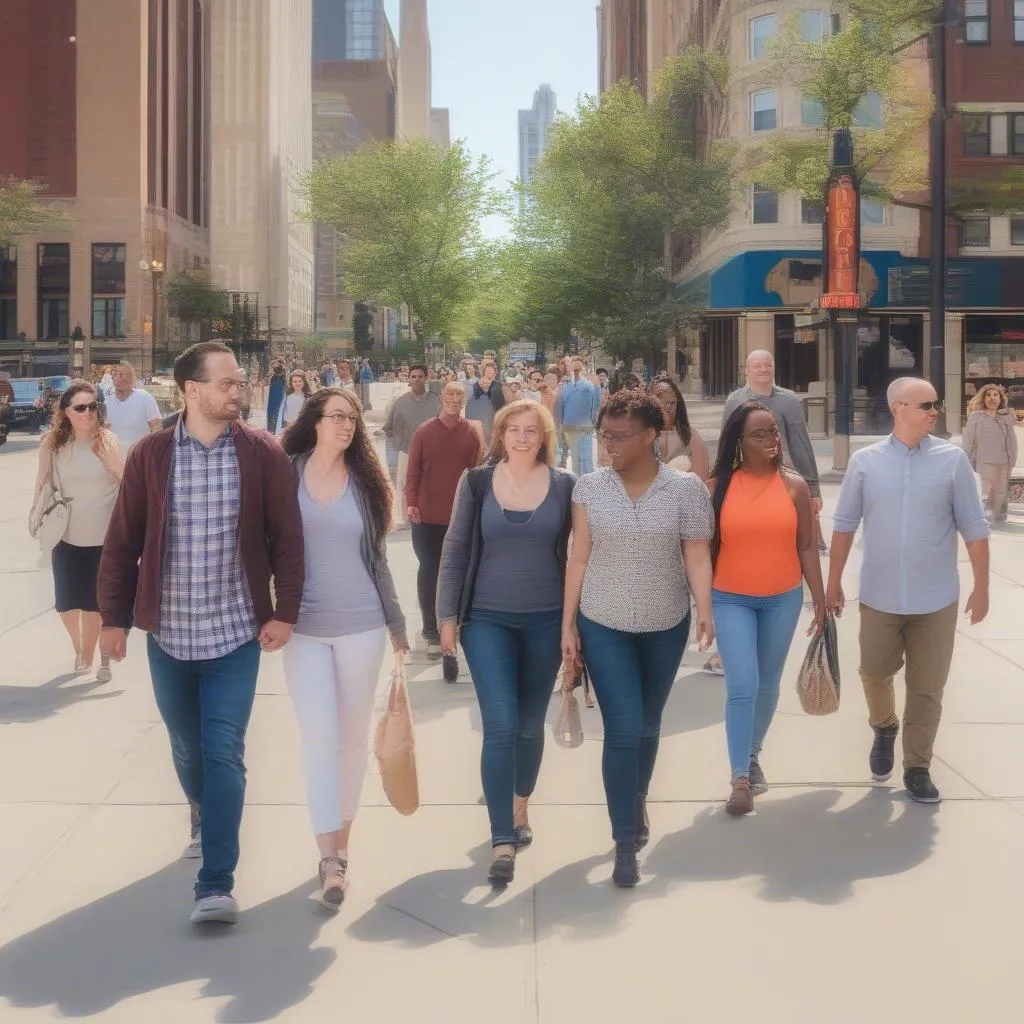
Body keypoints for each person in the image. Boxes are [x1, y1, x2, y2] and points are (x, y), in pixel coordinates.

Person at [98, 341, 304, 925]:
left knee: (224, 753)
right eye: (227, 383)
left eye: (240, 382)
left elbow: (288, 539)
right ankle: (202, 810)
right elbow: (122, 541)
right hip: (168, 635)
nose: (238, 390)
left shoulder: (262, 453)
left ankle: (215, 882)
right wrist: (113, 617)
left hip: (236, 634)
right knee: (188, 750)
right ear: (191, 390)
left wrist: (283, 610)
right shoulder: (151, 455)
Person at [562, 390, 714, 887]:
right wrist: (568, 625)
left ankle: (637, 795)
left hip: (665, 623)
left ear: (652, 436)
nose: (609, 445)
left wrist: (704, 609)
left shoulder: (686, 490)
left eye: (620, 437)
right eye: (605, 434)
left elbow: (695, 553)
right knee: (624, 728)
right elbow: (579, 556)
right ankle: (624, 838)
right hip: (603, 621)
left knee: (649, 725)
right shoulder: (590, 487)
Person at [825, 377, 990, 804]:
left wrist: (982, 585)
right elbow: (843, 526)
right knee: (874, 673)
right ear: (898, 408)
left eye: (936, 404)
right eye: (925, 405)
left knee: (927, 687)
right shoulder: (866, 462)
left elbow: (974, 526)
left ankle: (918, 766)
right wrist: (833, 581)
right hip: (880, 595)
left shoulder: (952, 462)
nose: (934, 411)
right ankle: (884, 726)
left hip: (937, 599)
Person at [437, 401, 574, 885]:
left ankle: (520, 807)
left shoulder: (564, 486)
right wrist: (446, 617)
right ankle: (501, 839)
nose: (520, 437)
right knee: (499, 724)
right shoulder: (475, 483)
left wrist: (573, 626)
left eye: (530, 430)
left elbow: (578, 561)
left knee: (529, 727)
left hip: (545, 620)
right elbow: (454, 550)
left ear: (544, 436)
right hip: (486, 620)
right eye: (512, 429)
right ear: (500, 435)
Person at [280, 387, 407, 908]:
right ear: (314, 421)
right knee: (318, 736)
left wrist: (398, 626)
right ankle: (327, 855)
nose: (347, 425)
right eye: (337, 416)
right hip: (303, 629)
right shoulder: (285, 471)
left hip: (362, 626)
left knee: (352, 740)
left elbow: (377, 559)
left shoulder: (366, 483)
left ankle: (341, 848)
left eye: (352, 418)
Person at [708, 401, 826, 816]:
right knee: (742, 684)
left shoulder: (794, 486)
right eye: (760, 434)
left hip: (783, 598)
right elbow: (701, 551)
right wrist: (703, 608)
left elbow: (807, 546)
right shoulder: (716, 486)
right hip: (730, 597)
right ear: (739, 442)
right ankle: (740, 775)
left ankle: (753, 752)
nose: (771, 440)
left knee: (768, 683)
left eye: (773, 432)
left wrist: (820, 598)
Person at [31, 381, 122, 681]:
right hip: (66, 532)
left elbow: (127, 484)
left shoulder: (107, 440)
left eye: (92, 406)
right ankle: (79, 646)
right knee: (67, 602)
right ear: (66, 412)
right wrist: (36, 514)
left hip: (102, 535)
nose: (87, 413)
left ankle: (90, 653)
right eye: (80, 408)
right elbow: (42, 483)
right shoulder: (53, 445)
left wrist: (111, 461)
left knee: (93, 601)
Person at [406, 381, 482, 668]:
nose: (454, 399)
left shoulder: (471, 434)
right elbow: (413, 471)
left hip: (460, 516)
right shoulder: (425, 432)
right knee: (429, 570)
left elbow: (475, 473)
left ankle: (455, 624)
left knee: (458, 573)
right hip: (426, 516)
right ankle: (430, 630)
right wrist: (411, 503)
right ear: (442, 399)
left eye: (459, 395)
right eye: (450, 394)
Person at [723, 350, 823, 546]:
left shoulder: (789, 400)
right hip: (746, 477)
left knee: (788, 533)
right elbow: (726, 444)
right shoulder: (735, 401)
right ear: (747, 370)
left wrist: (813, 488)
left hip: (784, 477)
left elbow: (800, 443)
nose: (764, 369)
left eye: (768, 365)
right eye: (758, 365)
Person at [383, 365, 440, 528]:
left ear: (426, 378)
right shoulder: (400, 403)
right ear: (408, 379)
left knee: (431, 484)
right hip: (407, 451)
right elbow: (390, 427)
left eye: (420, 376)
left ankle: (430, 515)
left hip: (431, 452)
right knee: (405, 484)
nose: (416, 379)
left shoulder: (436, 401)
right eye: (413, 376)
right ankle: (404, 518)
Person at [962, 383, 1018, 523]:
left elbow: (1011, 442)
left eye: (995, 395)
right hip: (983, 461)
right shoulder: (977, 416)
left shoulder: (1006, 417)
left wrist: (1012, 460)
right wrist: (966, 460)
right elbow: (969, 441)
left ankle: (998, 518)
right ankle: (981, 518)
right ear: (983, 398)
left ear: (1000, 398)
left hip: (1003, 462)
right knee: (983, 492)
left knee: (999, 493)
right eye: (988, 395)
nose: (992, 398)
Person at [650, 375, 709, 479]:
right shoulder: (641, 438)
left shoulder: (692, 437)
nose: (667, 407)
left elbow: (700, 480)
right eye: (661, 402)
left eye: (671, 403)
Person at [555, 358, 602, 475]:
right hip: (573, 427)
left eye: (578, 369)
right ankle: (581, 483)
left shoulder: (588, 386)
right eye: (574, 369)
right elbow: (560, 408)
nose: (575, 372)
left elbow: (596, 405)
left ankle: (585, 483)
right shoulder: (566, 387)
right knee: (579, 458)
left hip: (583, 427)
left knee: (583, 458)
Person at [103, 362, 162, 450]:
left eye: (128, 375)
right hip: (114, 457)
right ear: (113, 377)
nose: (124, 379)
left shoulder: (144, 397)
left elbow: (157, 427)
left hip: (140, 456)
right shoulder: (106, 403)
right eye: (120, 375)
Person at [464, 359, 506, 443]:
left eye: (491, 372)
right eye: (487, 371)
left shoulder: (499, 386)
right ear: (484, 372)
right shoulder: (477, 385)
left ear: (495, 373)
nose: (489, 374)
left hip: (494, 416)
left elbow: (501, 403)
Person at [266, 361, 286, 433]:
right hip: (274, 404)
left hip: (276, 404)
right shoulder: (277, 378)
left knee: (274, 422)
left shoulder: (279, 378)